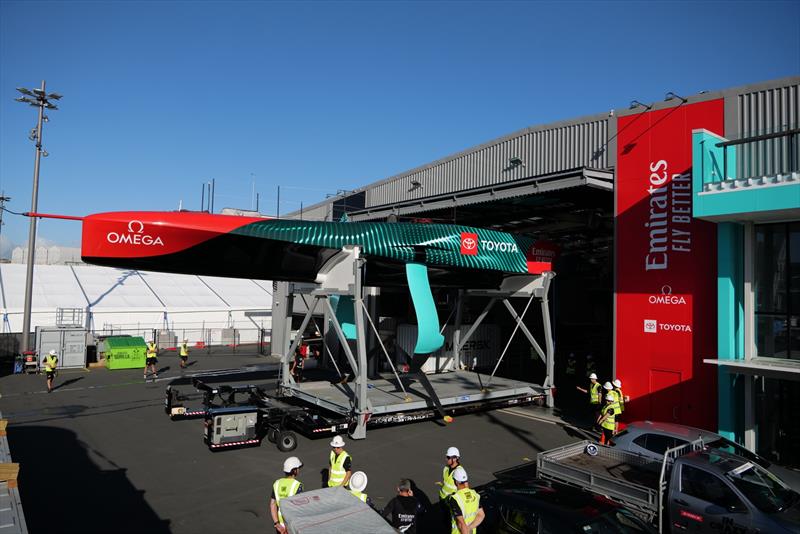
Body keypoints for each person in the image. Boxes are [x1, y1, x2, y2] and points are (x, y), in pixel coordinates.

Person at [270, 456, 304, 533]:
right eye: (298, 468)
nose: (299, 470)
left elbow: (272, 504)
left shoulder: (277, 483)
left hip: (280, 526)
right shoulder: (297, 485)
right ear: (294, 471)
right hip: (292, 526)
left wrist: (276, 523)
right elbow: (300, 508)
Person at [447, 466, 484, 534]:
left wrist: (466, 529)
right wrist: (470, 527)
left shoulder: (455, 498)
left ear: (456, 482)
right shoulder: (474, 494)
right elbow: (481, 515)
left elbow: (462, 524)